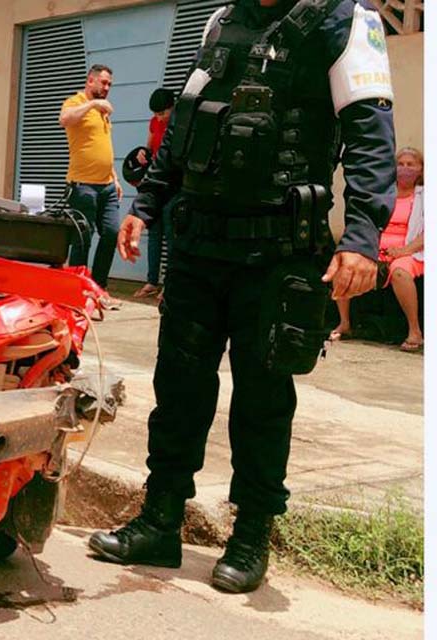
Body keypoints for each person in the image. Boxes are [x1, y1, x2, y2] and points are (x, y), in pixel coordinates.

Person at [88, 0, 396, 594]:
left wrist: (362, 235)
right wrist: (147, 205)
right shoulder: (221, 19)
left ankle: (251, 533)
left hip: (279, 251)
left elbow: (369, 136)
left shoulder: (347, 21)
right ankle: (160, 521)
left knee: (262, 397)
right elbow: (186, 119)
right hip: (200, 243)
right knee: (178, 386)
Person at [331, 146, 424, 351]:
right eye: (400, 164)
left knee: (400, 271)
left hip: (411, 252)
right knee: (344, 264)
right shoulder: (384, 193)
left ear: (421, 169)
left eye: (410, 164)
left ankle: (415, 331)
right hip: (376, 248)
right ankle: (345, 324)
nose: (404, 168)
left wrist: (403, 251)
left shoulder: (425, 196)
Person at [59, 64, 124, 307]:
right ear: (90, 81)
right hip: (83, 186)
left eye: (109, 85)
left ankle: (99, 288)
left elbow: (103, 147)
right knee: (82, 238)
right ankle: (77, 292)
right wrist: (93, 104)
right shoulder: (76, 102)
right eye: (103, 83)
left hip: (106, 186)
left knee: (111, 233)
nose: (106, 88)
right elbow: (64, 119)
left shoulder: (103, 111)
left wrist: (115, 177)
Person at [134, 88, 177, 298]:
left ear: (173, 107)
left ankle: (170, 284)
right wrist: (143, 153)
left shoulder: (180, 123)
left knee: (171, 235)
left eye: (163, 113)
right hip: (157, 184)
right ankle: (151, 281)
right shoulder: (155, 122)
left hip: (174, 185)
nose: (159, 118)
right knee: (154, 233)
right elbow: (150, 147)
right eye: (156, 114)